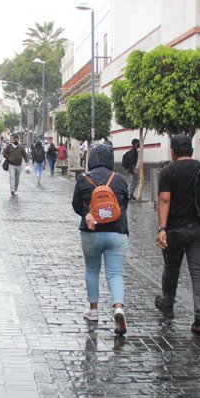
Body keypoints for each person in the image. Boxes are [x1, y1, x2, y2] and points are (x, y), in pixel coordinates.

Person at [155, 135, 200, 333]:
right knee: (199, 272)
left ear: (173, 151)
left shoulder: (168, 171)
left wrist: (162, 228)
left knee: (171, 268)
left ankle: (168, 304)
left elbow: (164, 200)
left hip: (175, 229)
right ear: (191, 150)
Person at [72, 143, 131, 335]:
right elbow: (124, 205)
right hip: (117, 232)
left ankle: (94, 310)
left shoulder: (83, 179)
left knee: (92, 270)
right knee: (115, 273)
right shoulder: (120, 180)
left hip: (91, 232)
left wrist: (87, 212)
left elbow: (75, 205)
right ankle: (118, 308)